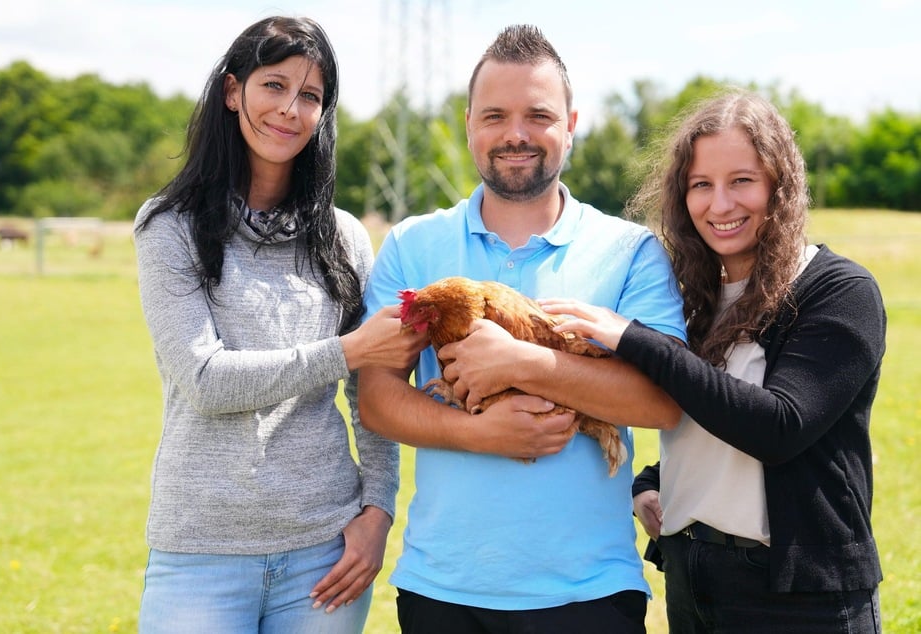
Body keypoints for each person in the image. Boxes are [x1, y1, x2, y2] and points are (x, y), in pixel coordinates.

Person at [358, 24, 687, 634]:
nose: (515, 134)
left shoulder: (630, 251)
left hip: (590, 592)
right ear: (468, 125)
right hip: (443, 587)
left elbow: (664, 402)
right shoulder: (412, 244)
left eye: (538, 114)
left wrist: (519, 364)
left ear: (571, 122)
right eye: (494, 116)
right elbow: (377, 400)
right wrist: (480, 433)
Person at [537, 90, 886, 632]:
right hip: (693, 579)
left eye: (741, 180)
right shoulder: (693, 297)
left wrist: (633, 337)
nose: (720, 205)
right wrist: (651, 481)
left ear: (781, 185)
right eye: (701, 185)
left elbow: (778, 425)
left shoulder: (839, 291)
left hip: (799, 600)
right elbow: (705, 417)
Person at [132, 16, 427, 633]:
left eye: (311, 96)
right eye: (274, 85)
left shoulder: (345, 238)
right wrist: (345, 350)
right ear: (233, 91)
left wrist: (378, 511)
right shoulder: (169, 226)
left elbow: (373, 391)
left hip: (325, 552)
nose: (290, 109)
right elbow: (205, 380)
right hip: (201, 551)